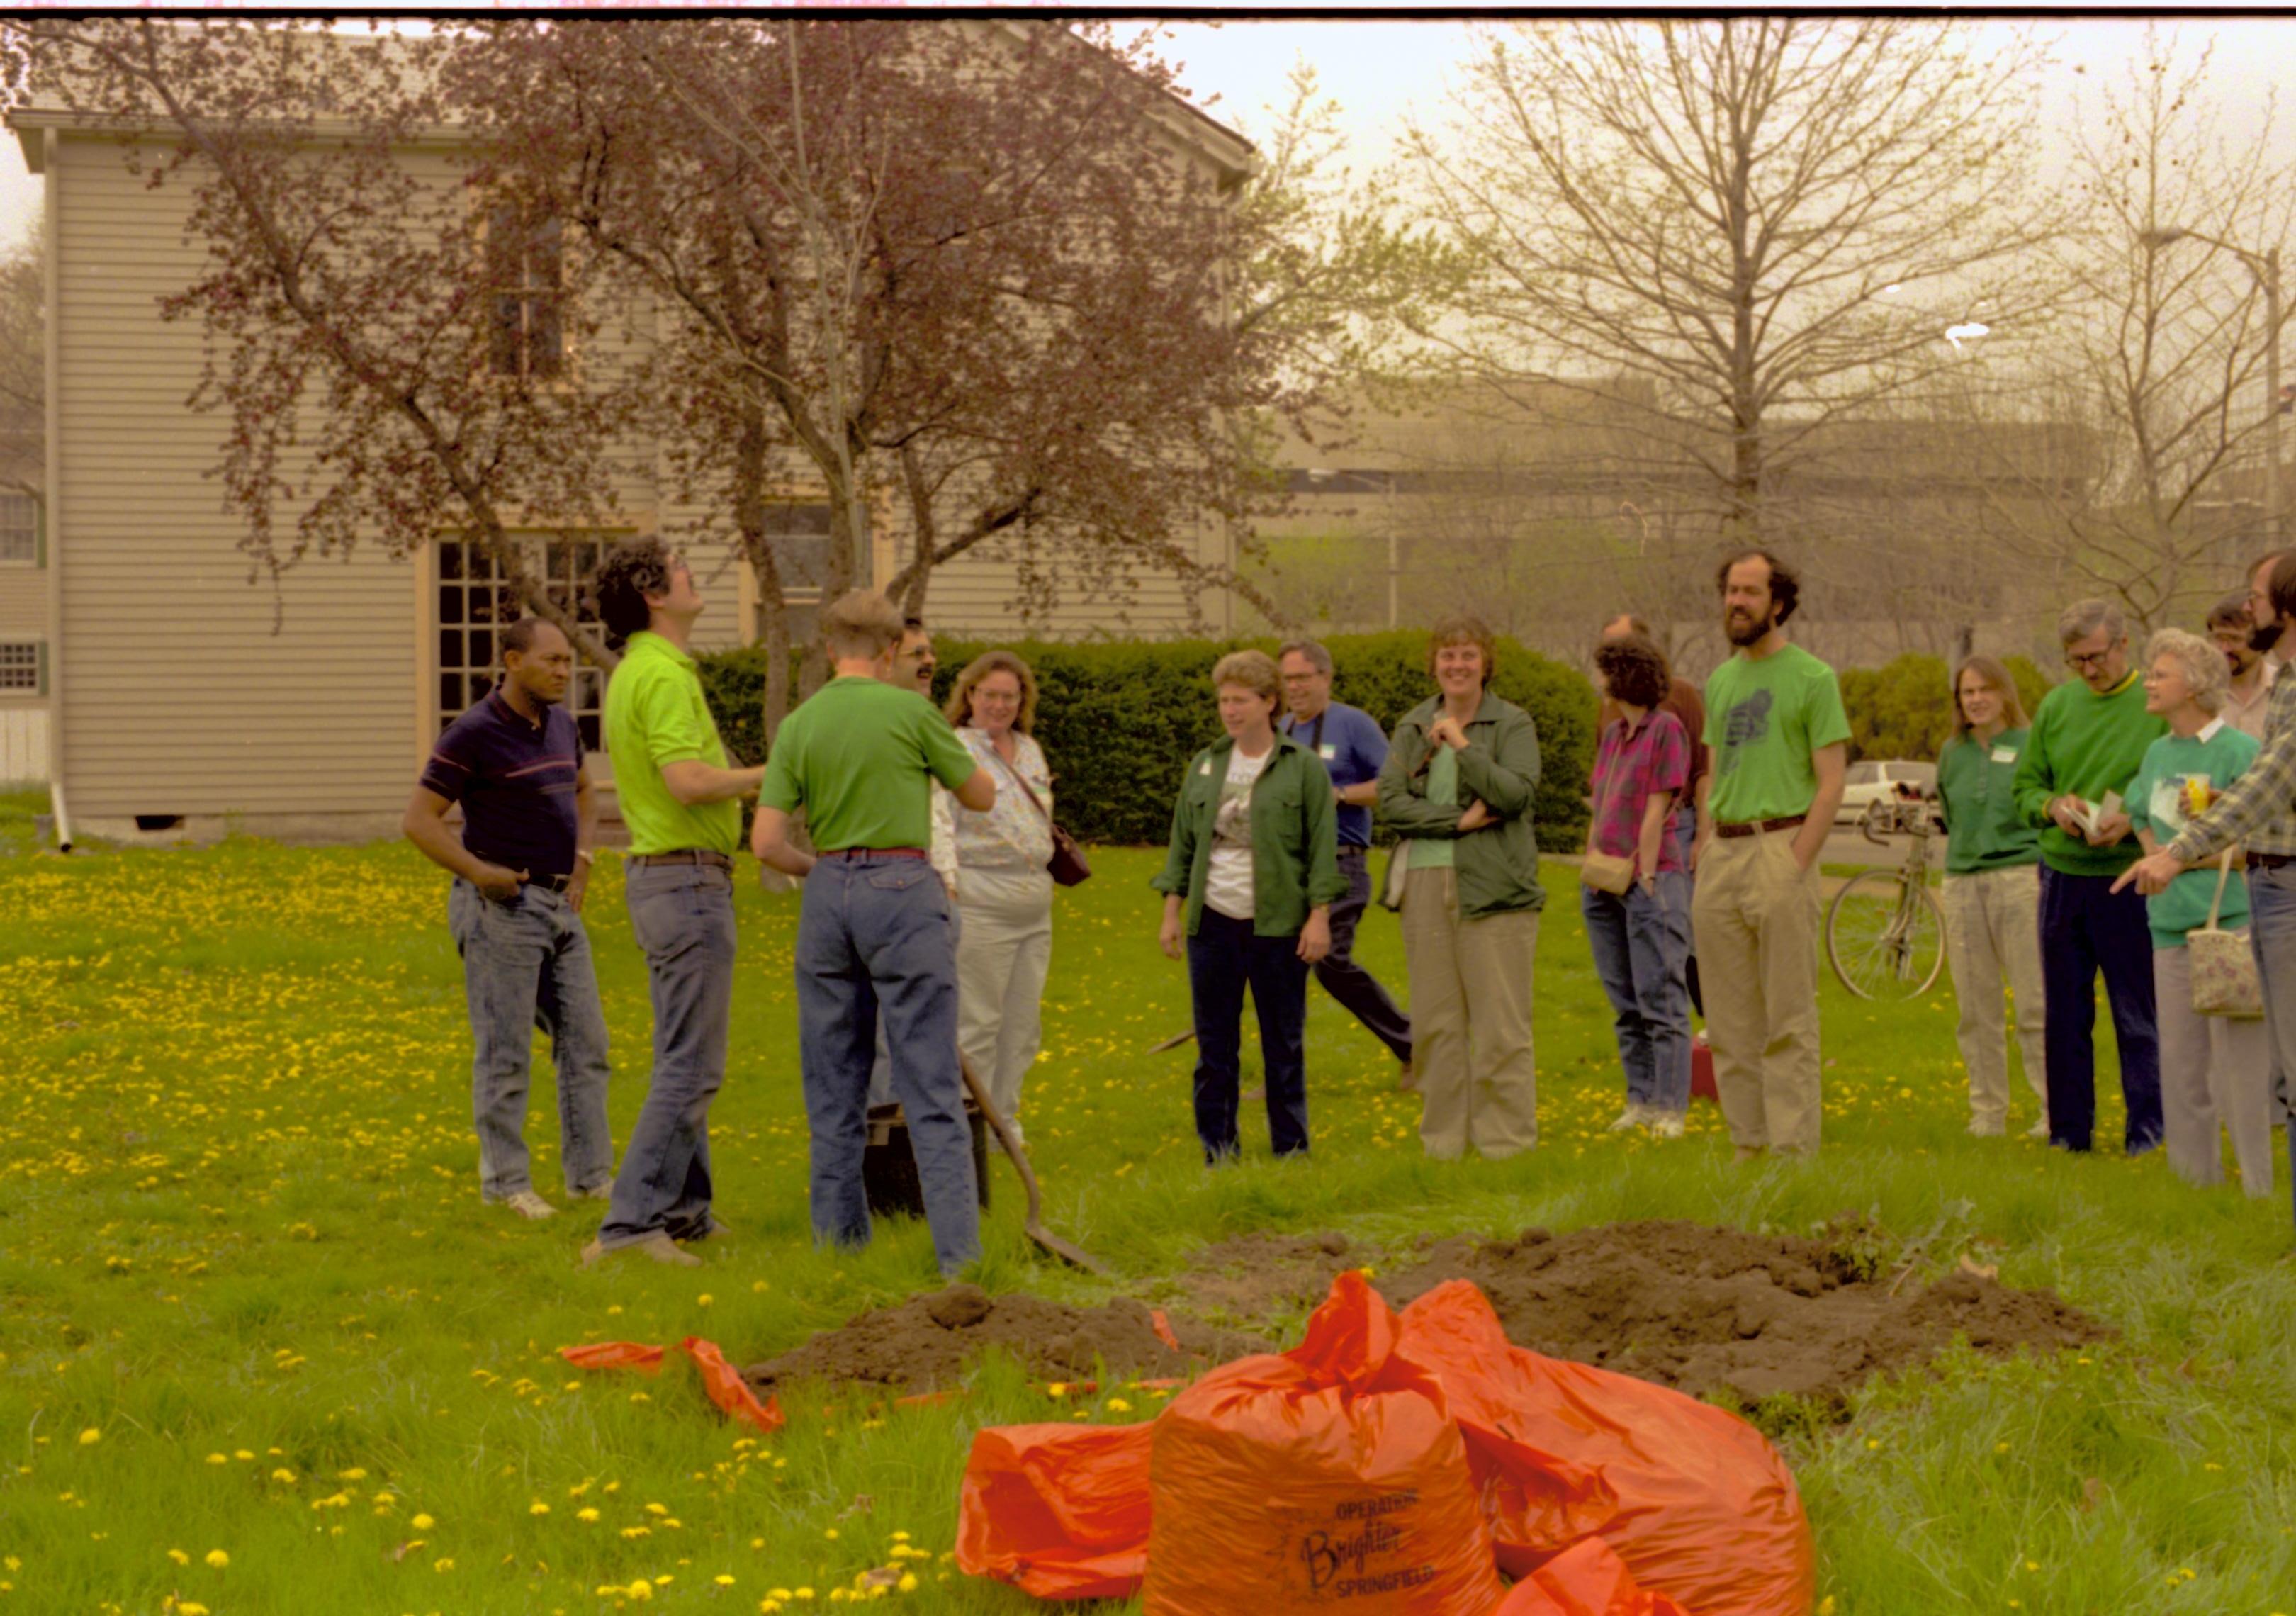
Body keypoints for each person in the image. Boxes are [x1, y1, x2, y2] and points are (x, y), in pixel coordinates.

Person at [753, 590, 995, 1279]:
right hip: (905, 888)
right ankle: (959, 1264)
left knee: (834, 1089)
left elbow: (767, 842)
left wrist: (826, 873)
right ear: (891, 652)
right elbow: (979, 795)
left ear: (831, 649)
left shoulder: (801, 724)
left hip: (829, 894)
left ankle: (839, 1261)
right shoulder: (912, 711)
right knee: (929, 1085)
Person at [583, 542, 765, 1269]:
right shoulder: (658, 674)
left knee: (680, 1054)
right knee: (692, 1065)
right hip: (685, 885)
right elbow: (688, 781)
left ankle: (685, 1212)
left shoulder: (645, 669)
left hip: (671, 882)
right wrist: (773, 772)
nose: (694, 576)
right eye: (681, 569)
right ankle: (629, 1229)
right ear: (653, 594)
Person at [404, 618, 613, 1220]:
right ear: (512, 660)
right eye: (550, 661)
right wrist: (477, 871)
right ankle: (506, 1185)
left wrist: (583, 862)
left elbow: (584, 792)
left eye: (568, 663)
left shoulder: (563, 726)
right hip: (502, 909)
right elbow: (419, 820)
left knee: (586, 1043)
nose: (563, 672)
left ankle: (590, 1178)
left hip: (559, 906)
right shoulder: (473, 733)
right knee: (506, 1051)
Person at [2122, 555, 2296, 1216]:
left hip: (2236, 918)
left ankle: (2259, 1190)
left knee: (2246, 1071)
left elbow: (2262, 812)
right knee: (2182, 1064)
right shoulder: (2158, 751)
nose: (2150, 681)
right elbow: (2140, 812)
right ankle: (2196, 1188)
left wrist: (2182, 857)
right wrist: (2154, 856)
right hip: (2171, 925)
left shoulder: (2242, 746)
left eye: (2161, 674)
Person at [1153, 649, 1343, 1163]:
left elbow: (1321, 847)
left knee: (1283, 1045)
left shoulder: (1301, 768)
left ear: (1269, 703)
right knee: (1216, 1048)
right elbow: (1183, 844)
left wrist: (1319, 914)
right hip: (1213, 923)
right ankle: (1219, 1151)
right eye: (1223, 701)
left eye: (1241, 700)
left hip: (1278, 923)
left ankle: (1292, 1152)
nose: (1230, 711)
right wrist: (1172, 911)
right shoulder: (1207, 763)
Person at [1692, 551, 1848, 1160]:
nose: (1737, 601)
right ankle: (1748, 1147)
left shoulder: (1812, 678)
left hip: (1779, 849)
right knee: (1729, 1025)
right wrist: (1705, 840)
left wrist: (1796, 860)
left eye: (1751, 592)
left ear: (1777, 603)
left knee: (1786, 1019)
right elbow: (1712, 771)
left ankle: (1791, 1155)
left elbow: (1831, 780)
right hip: (1723, 856)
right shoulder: (1721, 679)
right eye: (1731, 590)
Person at [1378, 615, 1546, 1160]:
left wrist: (1464, 745)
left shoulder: (1512, 723)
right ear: (1435, 664)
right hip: (1425, 883)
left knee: (1501, 1027)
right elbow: (1390, 801)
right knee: (1435, 1025)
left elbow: (1515, 794)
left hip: (1495, 888)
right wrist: (1454, 822)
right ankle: (1444, 1144)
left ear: (1486, 663)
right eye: (1447, 656)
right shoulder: (1412, 725)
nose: (1457, 665)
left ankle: (1506, 1145)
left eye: (1468, 655)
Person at [2011, 599, 2166, 1157]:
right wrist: (2053, 807)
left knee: (2137, 1013)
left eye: (2095, 657)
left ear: (2124, 644)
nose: (2087, 670)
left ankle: (2148, 1137)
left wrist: (2135, 815)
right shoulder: (2056, 706)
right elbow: (2025, 787)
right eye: (2075, 660)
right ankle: (2068, 1136)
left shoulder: (2155, 703)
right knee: (2065, 1015)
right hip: (2063, 876)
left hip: (2128, 877)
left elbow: (2173, 775)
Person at [1277, 640, 1414, 1077]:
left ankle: (1413, 1047)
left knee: (1331, 962)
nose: (1294, 687)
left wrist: (1336, 795)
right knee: (1279, 972)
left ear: (1325, 678)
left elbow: (1394, 784)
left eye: (1302, 677)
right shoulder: (1281, 729)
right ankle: (1282, 1076)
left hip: (1342, 863)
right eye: (1288, 679)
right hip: (1289, 868)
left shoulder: (1353, 725)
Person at [1582, 634, 1693, 1138]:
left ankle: (1671, 1109)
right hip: (1603, 881)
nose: (1600, 680)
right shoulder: (1612, 735)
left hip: (1651, 880)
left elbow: (1658, 805)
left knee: (1661, 999)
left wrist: (1646, 874)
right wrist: (1590, 863)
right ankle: (1640, 1101)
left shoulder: (1666, 729)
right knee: (1624, 1001)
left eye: (1606, 670)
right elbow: (1600, 802)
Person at [1935, 656, 2050, 1138]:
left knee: (2033, 1001)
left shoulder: (2032, 745)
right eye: (1967, 692)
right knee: (1975, 1007)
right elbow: (1949, 811)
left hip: (2019, 878)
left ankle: (2053, 1108)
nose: (1976, 700)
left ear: (2005, 693)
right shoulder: (1951, 753)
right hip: (1962, 882)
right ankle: (1987, 1113)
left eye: (1985, 689)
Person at [946, 650, 1057, 1141]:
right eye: (989, 694)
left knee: (1022, 1027)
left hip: (1034, 898)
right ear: (970, 695)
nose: (999, 705)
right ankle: (968, 1127)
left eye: (1009, 696)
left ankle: (1005, 1124)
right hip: (981, 896)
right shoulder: (954, 748)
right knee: (979, 1023)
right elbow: (941, 824)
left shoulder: (1030, 749)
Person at [1600, 612, 1708, 1016]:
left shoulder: (1680, 696)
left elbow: (1703, 771)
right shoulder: (1610, 712)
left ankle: (1709, 1024)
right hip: (1620, 844)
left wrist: (1702, 838)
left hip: (1672, 831)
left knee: (1682, 933)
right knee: (1633, 944)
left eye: (1618, 649)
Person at [2212, 593, 2276, 743]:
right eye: (2219, 638)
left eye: (2235, 639)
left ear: (2261, 642)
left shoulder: (2285, 688)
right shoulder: (2194, 690)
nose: (2224, 649)